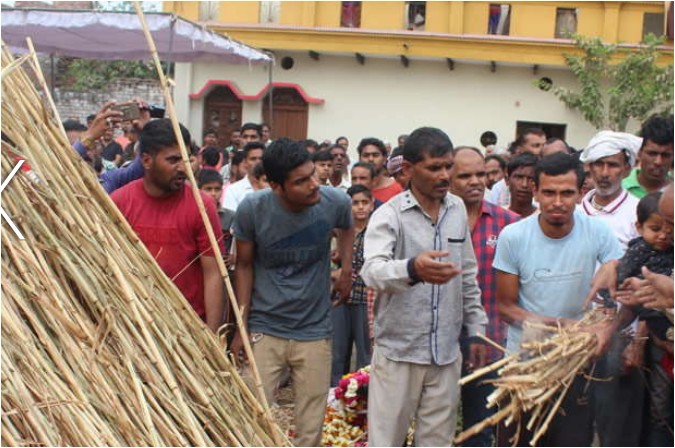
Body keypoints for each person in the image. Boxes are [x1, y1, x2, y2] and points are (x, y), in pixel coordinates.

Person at [361, 127, 487, 447]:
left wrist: (476, 329)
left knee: (437, 441)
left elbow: (467, 273)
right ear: (408, 170)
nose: (444, 175)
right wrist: (412, 268)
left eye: (448, 166)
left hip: (445, 352)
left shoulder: (457, 209)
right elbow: (372, 271)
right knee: (385, 441)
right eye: (434, 168)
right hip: (400, 352)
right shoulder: (389, 215)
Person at [230, 138, 353, 447]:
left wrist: (347, 270)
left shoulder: (334, 201)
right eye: (301, 181)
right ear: (276, 186)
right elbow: (243, 266)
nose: (314, 185)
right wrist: (241, 326)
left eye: (313, 174)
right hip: (265, 327)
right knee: (250, 414)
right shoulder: (252, 210)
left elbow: (347, 226)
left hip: (315, 330)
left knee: (311, 424)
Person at [494, 152, 623, 446]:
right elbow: (506, 307)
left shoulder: (598, 232)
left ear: (580, 194)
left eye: (566, 193)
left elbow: (618, 277)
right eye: (549, 192)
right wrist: (560, 325)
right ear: (536, 192)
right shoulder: (513, 236)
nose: (557, 202)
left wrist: (613, 272)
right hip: (524, 364)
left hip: (575, 362)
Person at [110, 119, 224, 332]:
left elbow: (213, 273)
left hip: (189, 327)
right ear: (146, 160)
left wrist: (212, 335)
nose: (183, 168)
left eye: (186, 159)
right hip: (136, 326)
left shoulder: (201, 205)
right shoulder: (120, 202)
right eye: (173, 160)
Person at [448, 146, 519, 447]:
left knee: (480, 428)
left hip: (488, 343)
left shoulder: (509, 223)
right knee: (434, 422)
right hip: (439, 345)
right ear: (447, 179)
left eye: (481, 174)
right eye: (465, 175)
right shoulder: (434, 221)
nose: (476, 181)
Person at [602, 191, 673, 447]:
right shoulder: (638, 252)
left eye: (672, 226)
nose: (666, 233)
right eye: (659, 226)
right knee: (660, 412)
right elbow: (619, 289)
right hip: (661, 343)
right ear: (639, 228)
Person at [331, 184, 375, 386]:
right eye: (355, 203)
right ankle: (334, 400)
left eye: (364, 202)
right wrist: (334, 273)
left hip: (366, 298)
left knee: (365, 352)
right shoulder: (336, 232)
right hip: (339, 298)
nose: (360, 207)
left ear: (372, 205)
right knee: (338, 351)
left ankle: (361, 399)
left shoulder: (377, 232)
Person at [579, 130, 642, 250]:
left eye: (613, 165)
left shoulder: (637, 212)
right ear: (590, 167)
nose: (604, 173)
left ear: (627, 169)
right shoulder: (575, 210)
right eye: (598, 164)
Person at [623, 115, 673, 198]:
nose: (658, 161)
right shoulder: (619, 191)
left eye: (665, 155)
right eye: (652, 154)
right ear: (639, 152)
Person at [222, 142, 265, 212]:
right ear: (245, 162)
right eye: (253, 159)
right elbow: (231, 218)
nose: (258, 162)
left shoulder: (273, 188)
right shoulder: (233, 190)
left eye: (261, 159)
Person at [357, 137, 403, 202]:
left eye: (375, 155)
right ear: (359, 159)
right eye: (366, 155)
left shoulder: (397, 189)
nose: (371, 159)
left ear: (384, 158)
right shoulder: (354, 188)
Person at [504, 152, 538, 217]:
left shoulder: (543, 219)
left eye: (531, 178)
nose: (524, 184)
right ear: (507, 180)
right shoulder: (496, 216)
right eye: (519, 177)